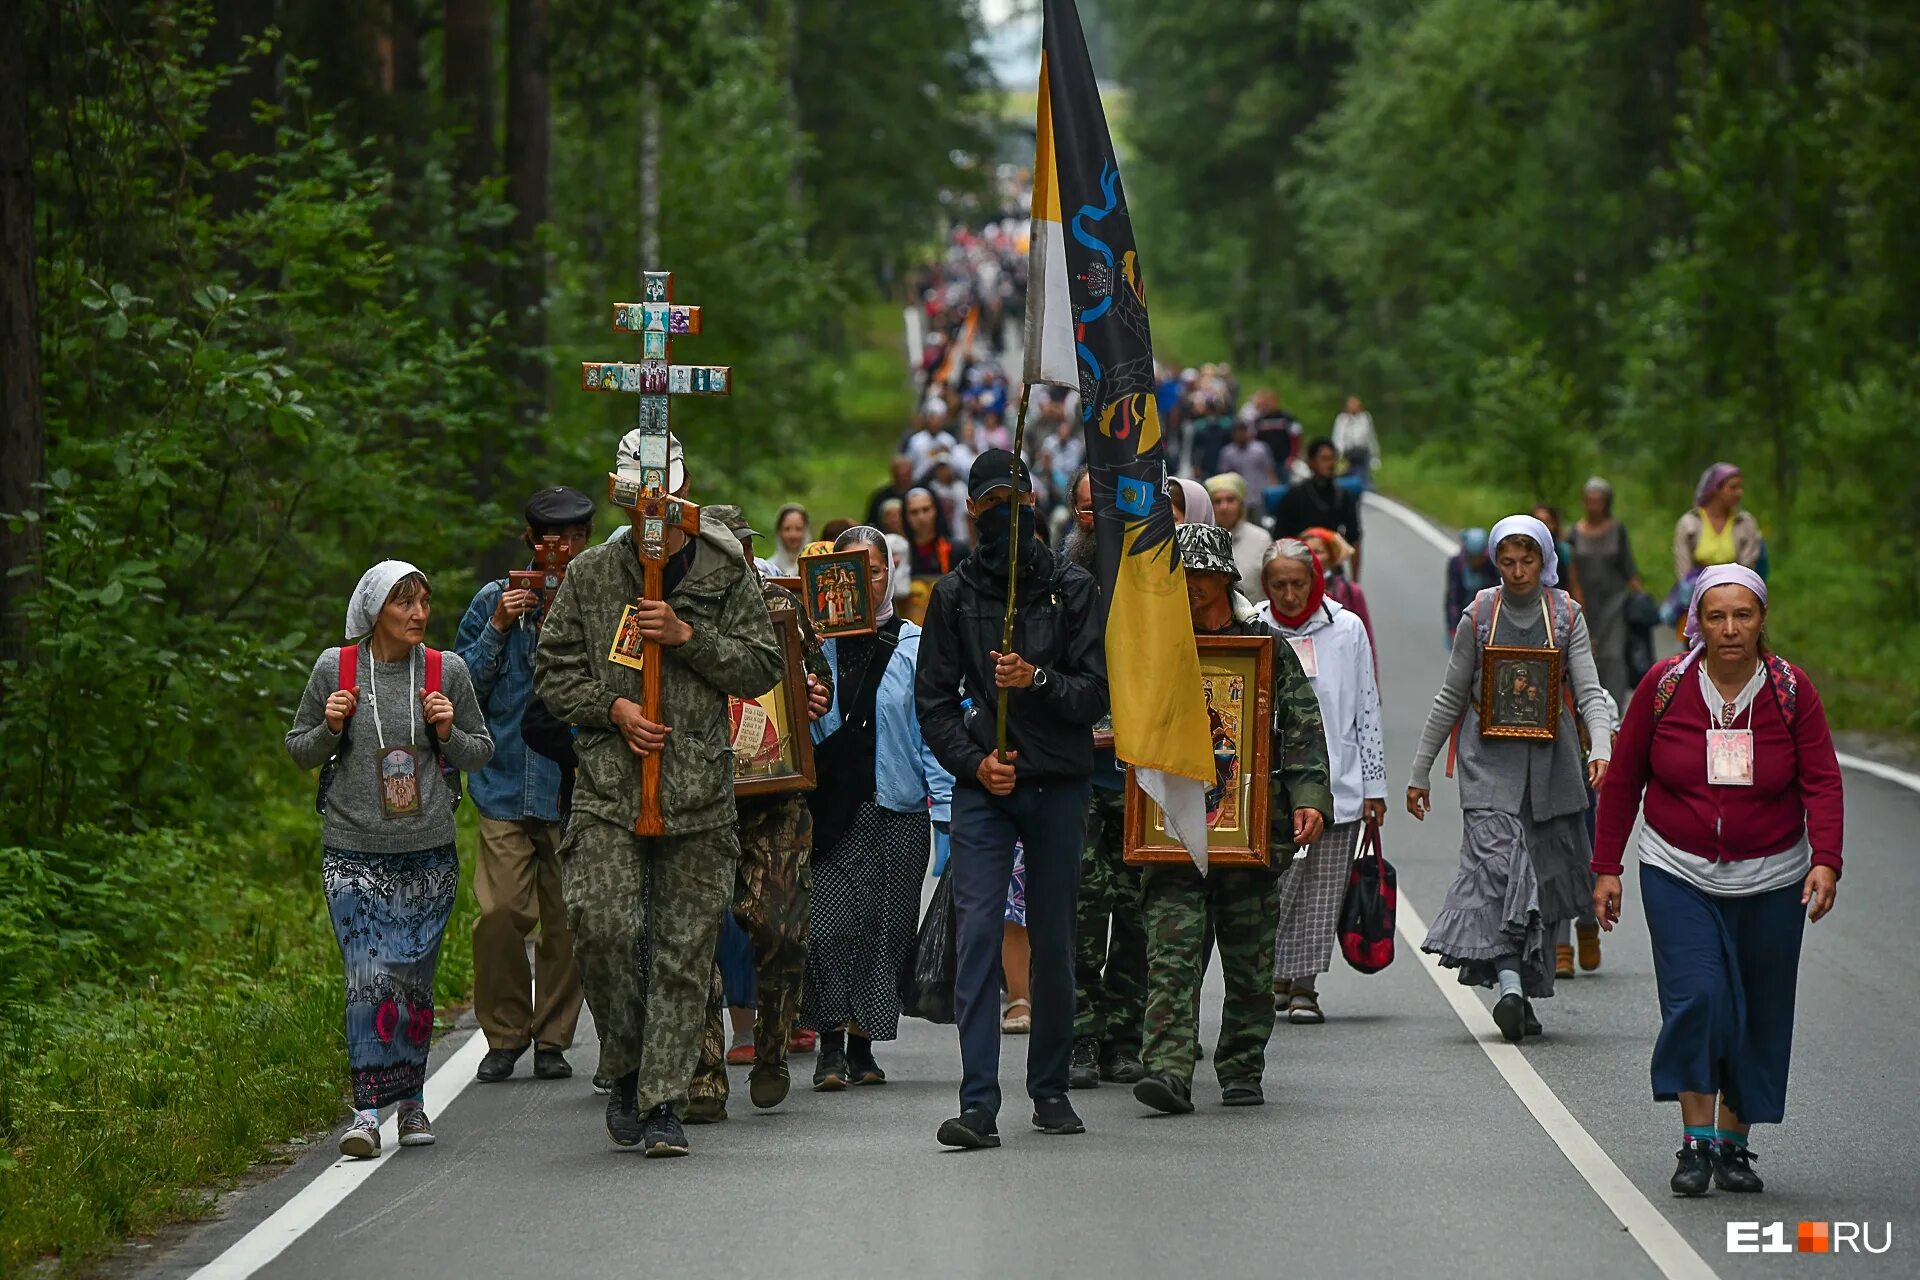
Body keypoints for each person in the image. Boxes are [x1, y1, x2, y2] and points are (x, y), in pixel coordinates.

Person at [534, 431, 784, 1157]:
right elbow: (554, 671)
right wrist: (610, 710)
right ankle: (627, 1066)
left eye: (665, 493)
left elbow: (762, 665)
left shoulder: (725, 573)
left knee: (682, 950)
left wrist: (685, 635)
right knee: (602, 925)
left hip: (698, 790)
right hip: (611, 788)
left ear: (682, 491)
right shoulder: (592, 574)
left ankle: (665, 1102)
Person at [1592, 565, 1843, 1197]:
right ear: (1696, 624)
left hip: (1773, 875)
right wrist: (1607, 867)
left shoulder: (1790, 690)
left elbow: (1821, 779)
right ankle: (1695, 1141)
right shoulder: (1666, 685)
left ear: (1762, 621)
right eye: (1716, 617)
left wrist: (1826, 858)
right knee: (1698, 997)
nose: (1730, 629)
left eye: (1743, 616)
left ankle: (1735, 1145)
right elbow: (1624, 780)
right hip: (1677, 866)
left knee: (1757, 1012)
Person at [917, 449, 1108, 1150]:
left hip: (1057, 783)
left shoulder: (1072, 588)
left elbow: (1095, 694)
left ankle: (1050, 1087)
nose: (1005, 516)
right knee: (978, 940)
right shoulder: (953, 595)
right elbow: (933, 704)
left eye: (1015, 502)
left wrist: (1036, 681)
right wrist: (975, 764)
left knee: (1054, 941)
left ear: (1033, 501)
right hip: (985, 789)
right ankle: (977, 1104)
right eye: (990, 506)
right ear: (972, 512)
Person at [286, 562, 493, 1158]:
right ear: (375, 610)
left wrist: (449, 733)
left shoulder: (444, 670)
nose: (418, 615)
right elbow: (299, 750)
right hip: (352, 850)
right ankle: (364, 1113)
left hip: (426, 852)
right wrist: (329, 728)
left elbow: (481, 752)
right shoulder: (337, 668)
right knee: (366, 978)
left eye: (424, 603)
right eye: (405, 604)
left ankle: (412, 1105)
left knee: (411, 984)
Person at [1133, 523, 1332, 1114]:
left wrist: (1310, 797)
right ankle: (1167, 1070)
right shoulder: (1149, 652)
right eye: (1181, 578)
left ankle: (1243, 1066)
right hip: (1169, 833)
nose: (1191, 588)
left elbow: (1302, 730)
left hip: (1247, 831)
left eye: (1200, 576)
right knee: (1171, 955)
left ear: (1224, 578)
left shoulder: (1266, 648)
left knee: (1250, 962)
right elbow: (1113, 723)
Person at [1406, 515, 1615, 1042]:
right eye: (1508, 561)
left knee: (1541, 882)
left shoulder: (1567, 615)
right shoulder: (1479, 613)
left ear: (1546, 560)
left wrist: (1603, 745)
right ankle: (1507, 986)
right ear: (1494, 562)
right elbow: (1451, 696)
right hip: (1487, 768)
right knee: (1497, 874)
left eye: (1528, 561)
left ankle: (1525, 988)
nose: (1518, 571)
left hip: (1551, 771)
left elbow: (1589, 689)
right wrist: (1420, 771)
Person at [683, 506, 833, 1122]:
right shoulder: (676, 612)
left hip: (777, 800)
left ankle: (771, 1047)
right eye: (722, 550)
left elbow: (815, 678)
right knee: (691, 937)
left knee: (779, 930)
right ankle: (702, 1077)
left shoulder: (783, 609)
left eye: (741, 548)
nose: (735, 560)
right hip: (699, 798)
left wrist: (815, 694)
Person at [803, 526, 953, 1089]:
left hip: (898, 809)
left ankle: (863, 1045)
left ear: (891, 573)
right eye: (849, 572)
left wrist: (945, 813)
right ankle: (829, 1044)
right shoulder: (812, 646)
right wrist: (805, 696)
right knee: (829, 926)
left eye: (874, 570)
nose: (864, 582)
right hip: (832, 810)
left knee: (887, 929)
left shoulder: (917, 645)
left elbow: (932, 730)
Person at [455, 487, 594, 1087]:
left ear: (584, 540)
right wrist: (499, 625)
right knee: (502, 911)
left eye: (570, 538)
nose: (559, 549)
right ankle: (505, 1034)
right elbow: (463, 691)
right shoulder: (493, 600)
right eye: (547, 539)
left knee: (568, 917)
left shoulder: (596, 596)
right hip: (504, 779)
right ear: (531, 543)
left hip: (575, 786)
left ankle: (552, 1038)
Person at [1257, 540, 1385, 1024]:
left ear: (1316, 582)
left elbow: (1366, 708)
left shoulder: (1346, 628)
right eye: (1279, 584)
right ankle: (1271, 978)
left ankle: (1304, 987)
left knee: (1323, 891)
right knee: (1278, 886)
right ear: (1265, 586)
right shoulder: (1254, 626)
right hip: (1272, 788)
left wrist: (1376, 788)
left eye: (1299, 583)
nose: (1290, 594)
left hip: (1340, 784)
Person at [1062, 470, 1147, 1089]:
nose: (1095, 521)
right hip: (1082, 782)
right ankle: (1082, 1037)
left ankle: (1126, 1037)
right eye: (1085, 510)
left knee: (1142, 919)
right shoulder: (1059, 582)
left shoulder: (1154, 583)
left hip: (1145, 787)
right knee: (1083, 918)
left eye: (1105, 510)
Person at [1570, 478, 1641, 708]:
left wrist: (1640, 595)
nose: (1593, 506)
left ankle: (1615, 710)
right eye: (1589, 501)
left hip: (1614, 601)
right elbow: (1570, 568)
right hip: (1584, 602)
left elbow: (1628, 565)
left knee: (1613, 655)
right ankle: (1591, 707)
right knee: (1589, 653)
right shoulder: (1575, 532)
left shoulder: (1617, 530)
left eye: (1598, 501)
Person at [1271, 439, 1364, 579]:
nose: (1331, 464)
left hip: (1332, 569)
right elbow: (1279, 540)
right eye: (1325, 459)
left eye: (1333, 458)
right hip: (1299, 569)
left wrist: (1354, 582)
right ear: (1311, 463)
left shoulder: (1343, 496)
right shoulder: (1294, 495)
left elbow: (1354, 538)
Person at [1300, 526, 1376, 659]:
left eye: (1318, 551)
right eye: (1307, 552)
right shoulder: (1294, 592)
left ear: (1332, 556)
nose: (1312, 557)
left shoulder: (1351, 592)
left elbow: (1367, 639)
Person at [1204, 473, 1274, 602]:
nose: (1224, 507)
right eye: (1217, 501)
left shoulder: (1261, 539)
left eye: (1230, 500)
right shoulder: (1202, 539)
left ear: (1241, 504)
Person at [1443, 528, 1494, 648]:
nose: (1476, 562)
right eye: (1472, 557)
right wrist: (1452, 628)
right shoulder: (1456, 563)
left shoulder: (1492, 567)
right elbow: (1452, 597)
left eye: (1479, 558)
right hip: (1463, 613)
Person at [1216, 419, 1278, 499]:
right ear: (1234, 433)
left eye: (1244, 431)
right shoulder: (1227, 453)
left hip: (1260, 495)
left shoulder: (1261, 449)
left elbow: (1270, 471)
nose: (1242, 434)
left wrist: (1273, 490)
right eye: (1239, 431)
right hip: (1238, 497)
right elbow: (1223, 476)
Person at [1531, 504, 1580, 603]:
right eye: (1539, 521)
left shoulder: (1564, 550)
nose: (1544, 526)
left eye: (1547, 521)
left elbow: (1573, 583)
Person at [904, 486, 955, 578]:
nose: (921, 517)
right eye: (914, 512)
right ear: (906, 516)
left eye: (926, 509)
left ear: (935, 511)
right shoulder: (902, 553)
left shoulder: (956, 550)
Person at [1332, 395, 1380, 489]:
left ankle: (1366, 488)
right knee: (1345, 476)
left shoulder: (1365, 418)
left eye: (1355, 404)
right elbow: (1337, 437)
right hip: (1347, 453)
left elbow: (1371, 438)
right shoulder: (1342, 419)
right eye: (1351, 404)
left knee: (1363, 477)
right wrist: (1338, 454)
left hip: (1362, 452)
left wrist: (1375, 456)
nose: (1353, 407)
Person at [864, 456, 915, 529]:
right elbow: (870, 524)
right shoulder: (880, 497)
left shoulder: (922, 493)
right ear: (893, 474)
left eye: (906, 474)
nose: (903, 478)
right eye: (899, 475)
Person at [770, 504, 810, 576]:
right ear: (779, 532)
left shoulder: (814, 567)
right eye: (787, 529)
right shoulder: (769, 568)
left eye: (798, 529)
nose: (793, 535)